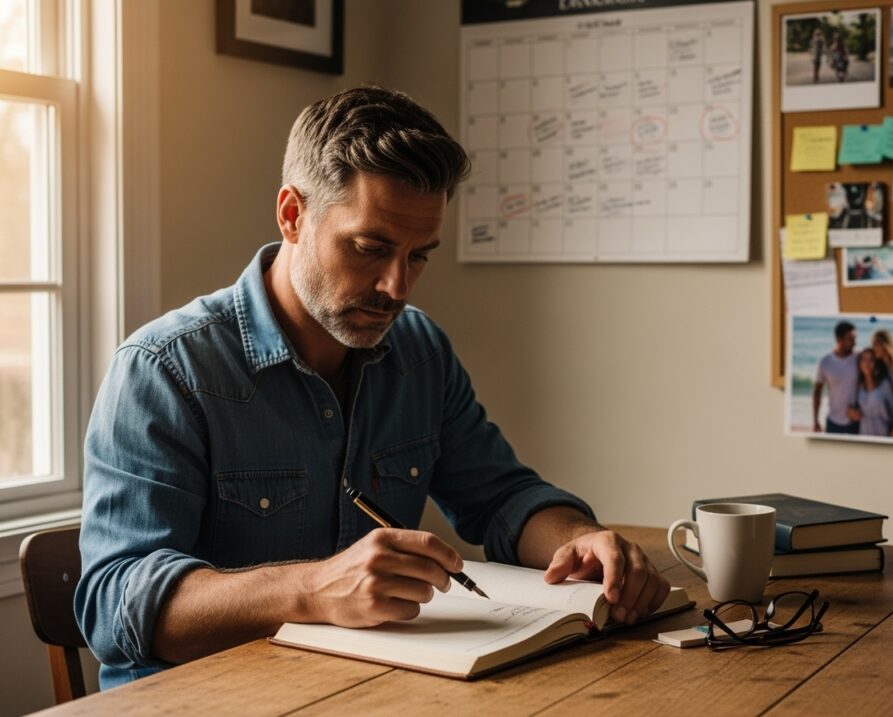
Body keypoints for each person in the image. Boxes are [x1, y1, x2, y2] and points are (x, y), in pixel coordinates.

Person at [74, 87, 670, 689]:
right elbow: (114, 605)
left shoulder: (420, 352)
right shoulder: (165, 369)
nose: (397, 287)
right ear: (292, 215)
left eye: (419, 256)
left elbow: (502, 497)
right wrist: (314, 588)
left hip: (366, 689)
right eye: (370, 249)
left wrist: (579, 539)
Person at [812, 321, 860, 434]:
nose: (855, 343)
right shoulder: (825, 362)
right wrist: (815, 420)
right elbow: (817, 391)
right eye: (850, 339)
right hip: (833, 422)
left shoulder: (859, 358)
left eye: (854, 338)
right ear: (839, 340)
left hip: (855, 422)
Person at [847, 349, 893, 437]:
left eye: (871, 360)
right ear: (859, 363)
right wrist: (851, 413)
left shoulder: (884, 385)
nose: (867, 363)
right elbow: (851, 409)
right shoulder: (858, 386)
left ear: (876, 363)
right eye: (864, 359)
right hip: (863, 435)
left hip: (883, 434)